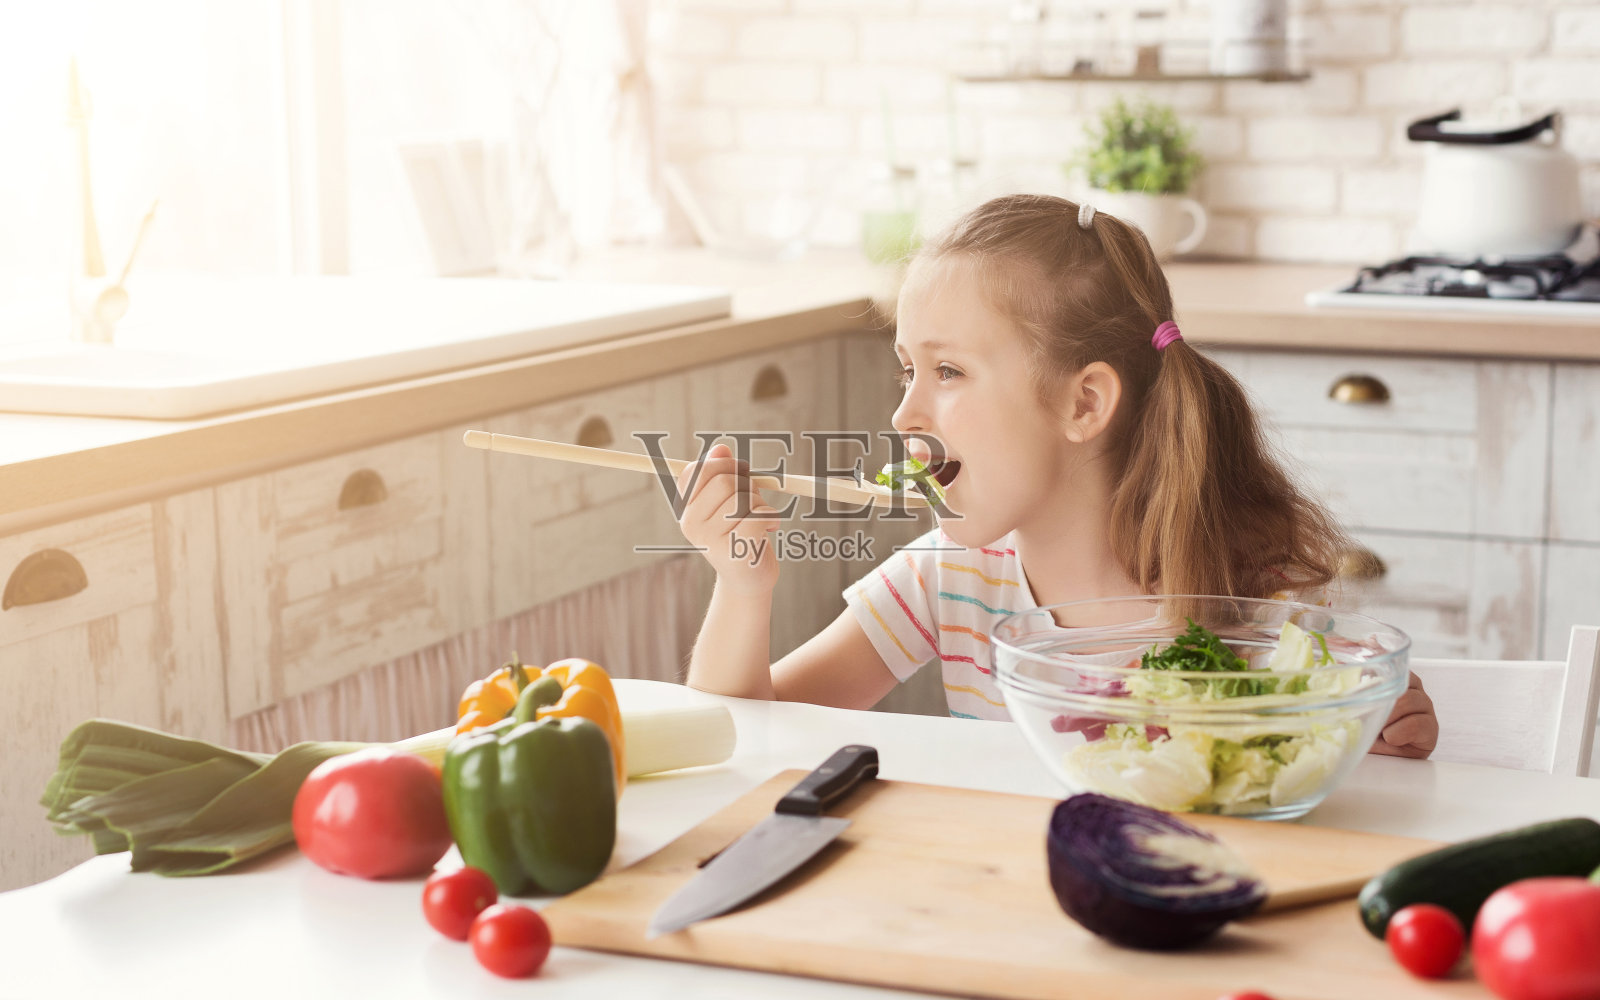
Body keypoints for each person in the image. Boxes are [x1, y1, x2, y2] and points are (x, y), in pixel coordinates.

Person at [675, 193, 1437, 759]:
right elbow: (737, 736)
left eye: (947, 370)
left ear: (1084, 401)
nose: (905, 413)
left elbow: (1337, 771)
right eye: (906, 369)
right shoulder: (947, 581)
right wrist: (743, 586)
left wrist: (1384, 737)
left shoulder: (1250, 597)